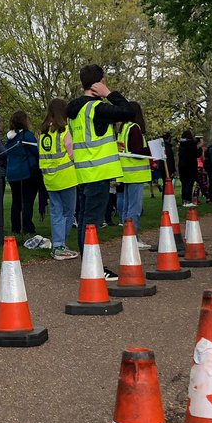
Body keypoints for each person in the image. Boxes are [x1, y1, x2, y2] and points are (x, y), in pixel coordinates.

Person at [66, 65, 137, 274]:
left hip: (84, 173)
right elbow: (128, 111)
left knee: (86, 221)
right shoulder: (96, 108)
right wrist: (109, 94)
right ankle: (93, 268)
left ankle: (88, 265)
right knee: (92, 222)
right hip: (98, 173)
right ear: (100, 82)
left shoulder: (75, 110)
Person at [38, 98, 78, 260]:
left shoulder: (44, 132)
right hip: (66, 177)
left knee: (56, 213)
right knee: (69, 213)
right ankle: (61, 245)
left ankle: (57, 245)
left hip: (50, 178)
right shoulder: (65, 130)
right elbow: (72, 153)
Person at [116, 105, 152, 247]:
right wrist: (150, 149)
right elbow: (137, 151)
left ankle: (128, 236)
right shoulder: (134, 128)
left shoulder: (123, 128)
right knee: (134, 209)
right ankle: (133, 238)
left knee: (126, 208)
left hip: (126, 172)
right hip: (136, 173)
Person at [4, 110, 42, 246]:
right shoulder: (27, 135)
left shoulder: (9, 138)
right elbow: (36, 151)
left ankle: (16, 227)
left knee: (16, 202)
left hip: (13, 174)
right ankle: (27, 227)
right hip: (26, 172)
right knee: (27, 201)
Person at [176, 130, 197, 206]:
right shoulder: (191, 145)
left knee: (184, 184)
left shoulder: (181, 145)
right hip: (190, 166)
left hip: (182, 167)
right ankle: (188, 200)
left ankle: (184, 200)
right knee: (189, 184)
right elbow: (195, 154)